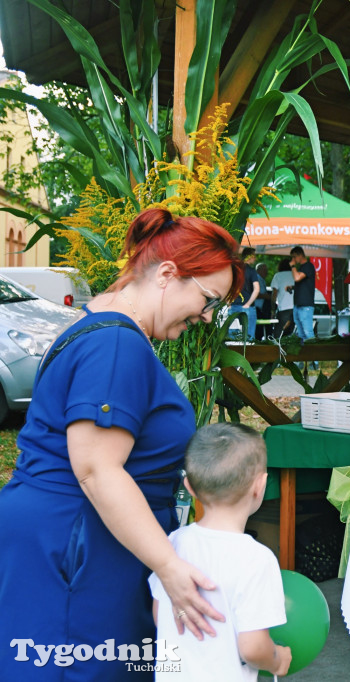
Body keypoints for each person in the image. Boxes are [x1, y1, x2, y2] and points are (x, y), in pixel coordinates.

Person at [0, 207, 243, 680]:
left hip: (72, 538)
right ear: (169, 275)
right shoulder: (116, 344)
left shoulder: (98, 325)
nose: (206, 316)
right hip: (78, 543)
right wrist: (168, 566)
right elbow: (97, 469)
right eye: (209, 300)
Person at [149, 423, 291, 680]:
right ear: (260, 486)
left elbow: (160, 614)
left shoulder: (172, 544)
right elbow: (253, 648)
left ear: (189, 487)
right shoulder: (257, 559)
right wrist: (277, 659)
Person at [230, 247, 261, 341]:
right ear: (249, 256)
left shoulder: (234, 269)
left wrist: (228, 302)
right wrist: (248, 304)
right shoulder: (251, 271)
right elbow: (257, 289)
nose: (255, 259)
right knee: (249, 338)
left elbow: (227, 285)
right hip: (248, 307)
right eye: (254, 256)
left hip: (233, 306)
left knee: (232, 339)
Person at [289, 246, 316, 341]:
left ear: (300, 255)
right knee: (301, 334)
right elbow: (302, 283)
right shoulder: (301, 268)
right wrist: (292, 287)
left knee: (308, 332)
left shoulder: (308, 266)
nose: (293, 259)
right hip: (298, 305)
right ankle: (305, 353)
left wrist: (292, 266)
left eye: (294, 257)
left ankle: (313, 353)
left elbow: (297, 278)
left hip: (305, 305)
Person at [270, 257, 295, 338]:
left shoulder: (278, 276)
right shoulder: (295, 275)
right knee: (291, 334)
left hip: (284, 308)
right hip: (296, 308)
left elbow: (274, 294)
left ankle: (277, 350)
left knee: (278, 334)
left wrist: (273, 310)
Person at [253, 262, 272, 341]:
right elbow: (254, 294)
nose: (266, 272)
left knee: (264, 328)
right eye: (264, 270)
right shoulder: (256, 279)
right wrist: (267, 296)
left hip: (261, 309)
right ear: (259, 270)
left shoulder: (262, 280)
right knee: (258, 330)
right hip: (257, 308)